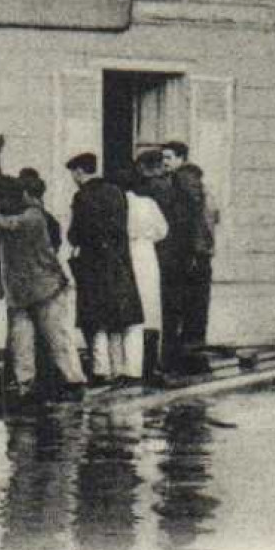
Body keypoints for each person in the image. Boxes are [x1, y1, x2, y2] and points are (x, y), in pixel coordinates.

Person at [0, 172, 87, 403]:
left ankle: (74, 382)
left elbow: (5, 223)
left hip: (46, 291)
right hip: (20, 294)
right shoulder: (17, 218)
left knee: (58, 339)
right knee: (21, 343)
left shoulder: (33, 217)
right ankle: (25, 384)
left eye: (1, 200)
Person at [64, 152, 142, 384]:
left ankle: (100, 370)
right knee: (118, 318)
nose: (73, 178)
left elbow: (75, 235)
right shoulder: (116, 192)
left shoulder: (82, 197)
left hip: (93, 264)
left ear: (80, 171)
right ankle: (119, 368)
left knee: (94, 320)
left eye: (73, 173)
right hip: (119, 262)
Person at [136, 148, 190, 374]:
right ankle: (169, 359)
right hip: (175, 256)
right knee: (171, 311)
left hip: (154, 255)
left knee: (150, 310)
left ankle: (150, 363)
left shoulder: (146, 190)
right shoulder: (176, 189)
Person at [162, 140, 219, 352]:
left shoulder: (182, 179)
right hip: (199, 252)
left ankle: (186, 351)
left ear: (181, 159)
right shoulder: (196, 180)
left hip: (190, 253)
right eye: (163, 158)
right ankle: (193, 348)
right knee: (195, 305)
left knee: (186, 303)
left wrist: (192, 252)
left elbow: (192, 219)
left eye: (168, 158)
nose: (164, 162)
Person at [123, 159, 169, 383]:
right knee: (151, 309)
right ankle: (150, 365)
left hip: (127, 254)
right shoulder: (149, 204)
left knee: (132, 310)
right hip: (147, 254)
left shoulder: (122, 203)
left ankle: (130, 366)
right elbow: (163, 231)